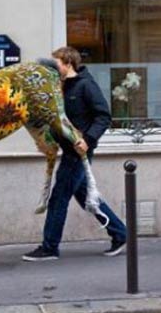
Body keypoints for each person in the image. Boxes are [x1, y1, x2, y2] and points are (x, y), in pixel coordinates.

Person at [23, 47, 127, 261]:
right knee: (88, 198)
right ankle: (120, 233)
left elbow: (103, 116)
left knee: (59, 198)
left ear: (68, 63)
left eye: (56, 64)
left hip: (77, 153)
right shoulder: (60, 87)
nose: (52, 68)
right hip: (68, 151)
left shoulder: (85, 85)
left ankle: (50, 247)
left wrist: (88, 140)